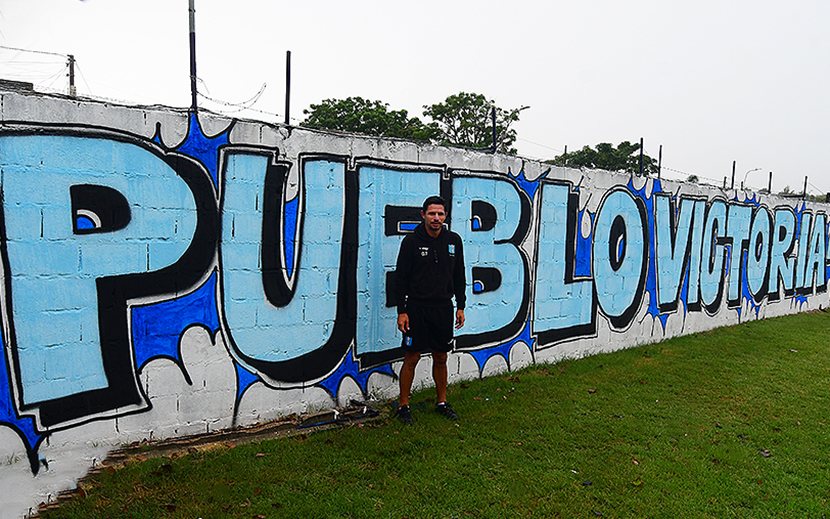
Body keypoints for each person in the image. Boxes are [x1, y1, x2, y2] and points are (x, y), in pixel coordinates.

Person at [394, 195, 466, 424]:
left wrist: (461, 306)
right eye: (432, 213)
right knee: (412, 356)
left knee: (441, 356)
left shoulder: (454, 240)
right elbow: (400, 278)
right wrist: (402, 311)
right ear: (423, 215)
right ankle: (403, 405)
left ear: (446, 216)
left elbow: (459, 275)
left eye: (440, 214)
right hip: (417, 308)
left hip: (443, 308)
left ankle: (442, 402)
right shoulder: (411, 242)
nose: (436, 218)